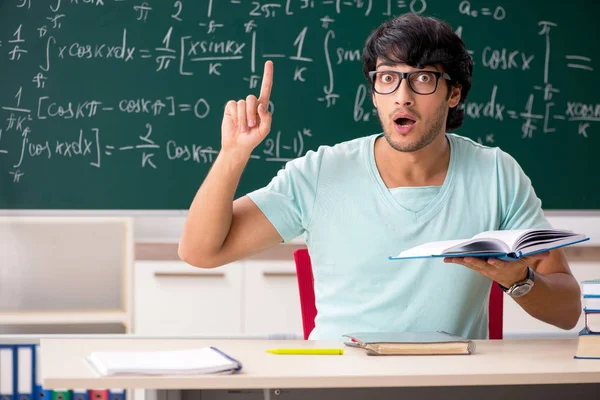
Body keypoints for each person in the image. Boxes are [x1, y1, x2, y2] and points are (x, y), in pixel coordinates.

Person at [179, 13, 581, 340]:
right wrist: (234, 154)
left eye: (422, 78)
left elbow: (566, 312)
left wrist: (519, 280)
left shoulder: (496, 173)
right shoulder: (321, 171)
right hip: (340, 382)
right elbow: (199, 252)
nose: (402, 96)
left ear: (453, 93)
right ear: (374, 92)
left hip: (448, 383)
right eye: (387, 78)